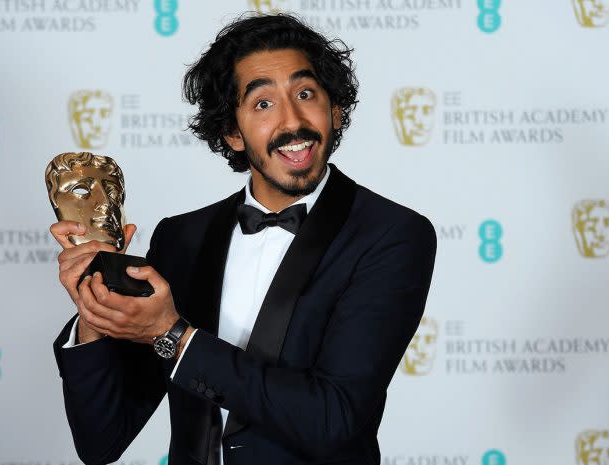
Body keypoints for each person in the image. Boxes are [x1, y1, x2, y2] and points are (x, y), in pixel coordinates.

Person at [51, 13, 436, 465]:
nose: (293, 121)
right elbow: (102, 441)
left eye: (306, 94)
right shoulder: (181, 238)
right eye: (262, 104)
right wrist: (96, 302)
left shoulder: (392, 234)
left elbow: (333, 419)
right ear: (232, 133)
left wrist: (172, 334)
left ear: (335, 109)